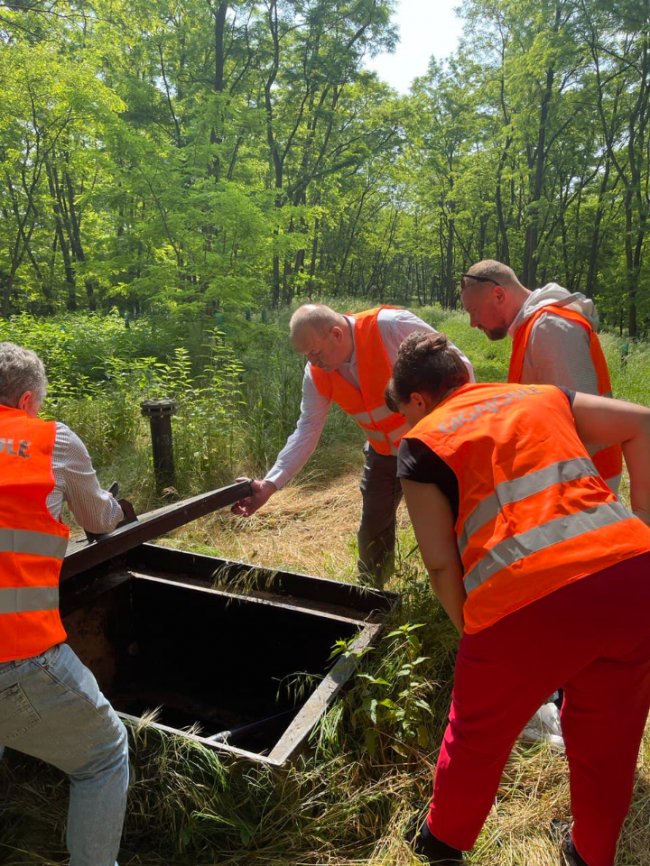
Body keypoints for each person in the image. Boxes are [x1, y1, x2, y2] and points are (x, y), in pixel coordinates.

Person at [386, 331, 650, 866]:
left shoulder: (420, 444)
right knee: (611, 739)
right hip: (632, 577)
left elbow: (440, 562)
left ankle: (442, 843)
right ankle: (590, 851)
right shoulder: (542, 395)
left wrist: (472, 628)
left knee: (477, 734)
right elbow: (642, 421)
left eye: (404, 413)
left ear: (420, 399)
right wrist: (642, 522)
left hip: (523, 599)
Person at [231, 304, 474, 588]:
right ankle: (371, 596)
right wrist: (270, 484)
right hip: (383, 453)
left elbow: (461, 370)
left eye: (315, 352)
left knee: (453, 520)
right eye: (306, 355)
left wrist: (452, 434)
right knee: (373, 528)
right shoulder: (316, 373)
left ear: (336, 333)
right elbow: (307, 429)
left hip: (432, 446)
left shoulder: (390, 327)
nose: (312, 361)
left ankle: (469, 587)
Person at [0, 342, 131, 866]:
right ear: (29, 400)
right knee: (104, 755)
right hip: (17, 653)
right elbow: (98, 520)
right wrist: (119, 508)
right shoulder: (49, 438)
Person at [460, 260, 622, 491]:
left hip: (584, 485)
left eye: (473, 311)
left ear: (498, 295)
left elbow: (578, 419)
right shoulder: (534, 327)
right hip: (565, 477)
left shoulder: (550, 328)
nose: (472, 323)